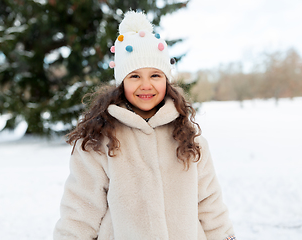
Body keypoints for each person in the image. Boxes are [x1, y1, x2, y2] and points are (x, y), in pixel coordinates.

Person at [54, 10, 235, 240]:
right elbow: (80, 209)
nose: (146, 85)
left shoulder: (190, 139)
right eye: (135, 76)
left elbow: (209, 202)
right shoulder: (100, 139)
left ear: (167, 80)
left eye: (155, 75)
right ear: (121, 82)